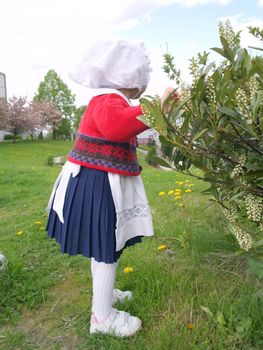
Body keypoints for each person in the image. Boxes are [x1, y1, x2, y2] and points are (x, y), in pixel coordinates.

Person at [46, 39, 177, 338]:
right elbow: (118, 126)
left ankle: (104, 295)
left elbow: (124, 124)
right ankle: (102, 318)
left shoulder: (111, 100)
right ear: (132, 77)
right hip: (97, 183)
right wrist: (158, 106)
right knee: (106, 246)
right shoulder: (108, 100)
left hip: (96, 181)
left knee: (104, 245)